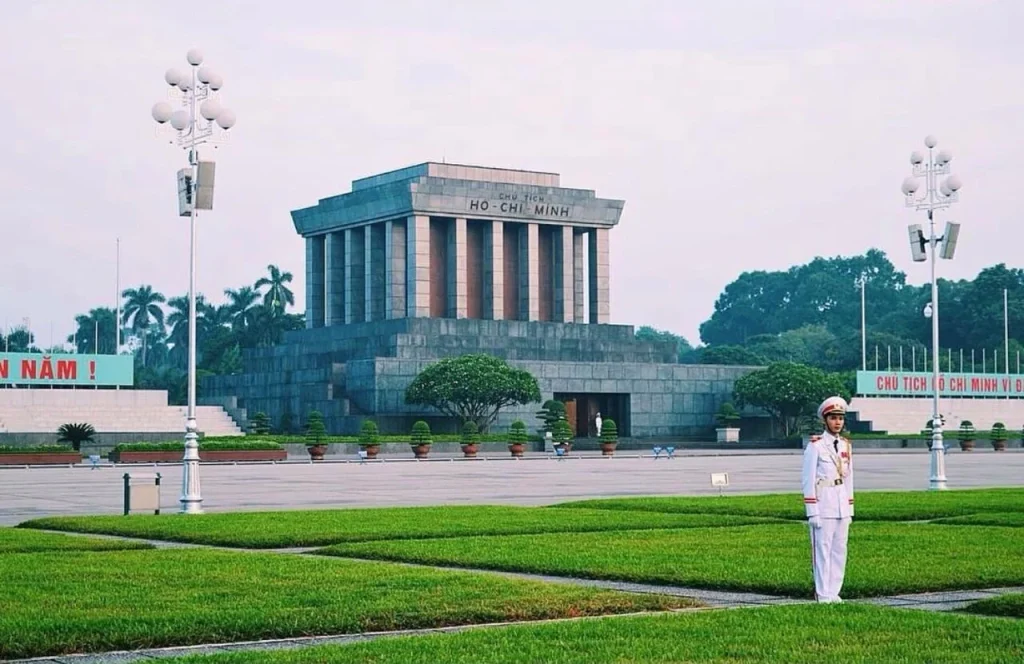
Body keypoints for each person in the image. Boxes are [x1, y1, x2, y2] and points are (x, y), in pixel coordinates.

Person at [802, 395, 855, 603]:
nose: (837, 422)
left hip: (841, 504)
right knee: (822, 550)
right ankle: (823, 592)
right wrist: (812, 510)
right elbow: (807, 480)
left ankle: (834, 591)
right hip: (824, 505)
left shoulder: (845, 446)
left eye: (840, 418)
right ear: (825, 421)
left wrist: (850, 508)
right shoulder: (815, 446)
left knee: (839, 550)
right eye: (833, 418)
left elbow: (849, 479)